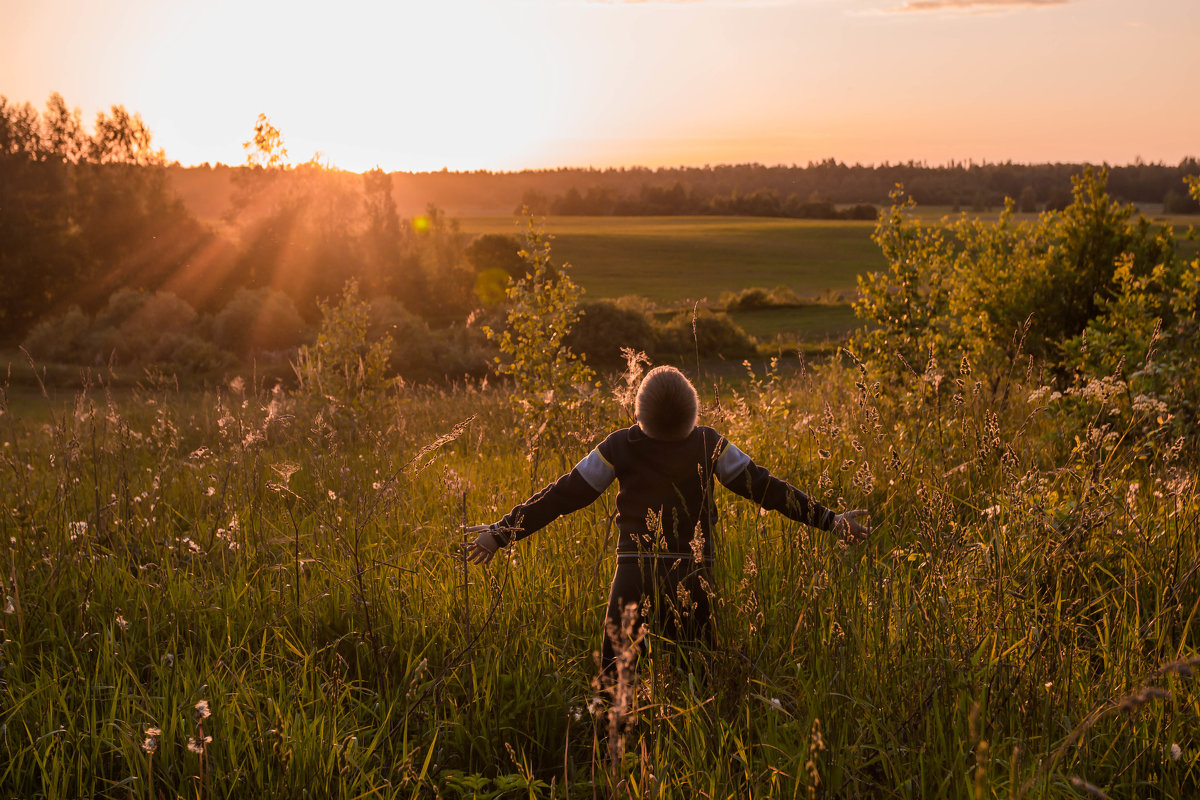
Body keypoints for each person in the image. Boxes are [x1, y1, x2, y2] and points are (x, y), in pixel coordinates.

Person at [466, 365, 870, 679]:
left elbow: (563, 495)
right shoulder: (710, 443)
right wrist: (831, 520)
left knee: (616, 677)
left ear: (636, 413)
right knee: (698, 672)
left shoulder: (619, 445)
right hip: (694, 575)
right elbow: (767, 488)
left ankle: (614, 761)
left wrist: (501, 533)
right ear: (695, 415)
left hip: (633, 575)